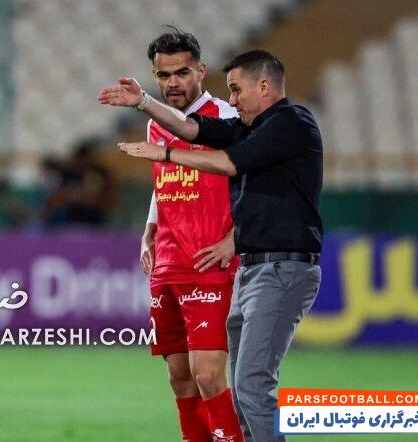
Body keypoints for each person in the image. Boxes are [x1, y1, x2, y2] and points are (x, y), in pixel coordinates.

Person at [99, 49, 323, 442]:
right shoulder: (249, 128)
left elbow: (229, 163)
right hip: (254, 269)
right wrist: (143, 102)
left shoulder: (292, 122)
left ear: (264, 87)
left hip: (282, 267)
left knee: (250, 385)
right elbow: (190, 128)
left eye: (237, 90)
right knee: (243, 389)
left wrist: (166, 154)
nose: (231, 100)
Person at [136, 27, 244, 441]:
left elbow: (253, 182)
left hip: (210, 261)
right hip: (168, 261)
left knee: (208, 375)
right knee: (180, 378)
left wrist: (235, 239)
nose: (173, 83)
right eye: (164, 76)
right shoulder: (157, 125)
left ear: (200, 71)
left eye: (181, 73)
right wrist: (149, 230)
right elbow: (163, 179)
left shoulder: (228, 118)